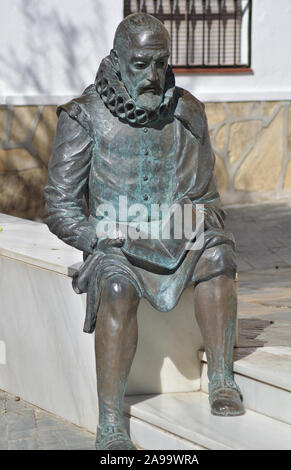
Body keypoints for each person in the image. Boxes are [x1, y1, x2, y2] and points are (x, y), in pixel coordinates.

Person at [44, 12, 245, 451]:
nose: (153, 75)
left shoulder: (187, 111)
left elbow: (208, 198)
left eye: (160, 62)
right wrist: (95, 239)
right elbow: (59, 204)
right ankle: (111, 420)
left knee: (219, 257)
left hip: (178, 236)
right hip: (114, 243)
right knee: (116, 288)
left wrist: (196, 218)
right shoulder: (84, 116)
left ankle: (221, 378)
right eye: (140, 64)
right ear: (117, 60)